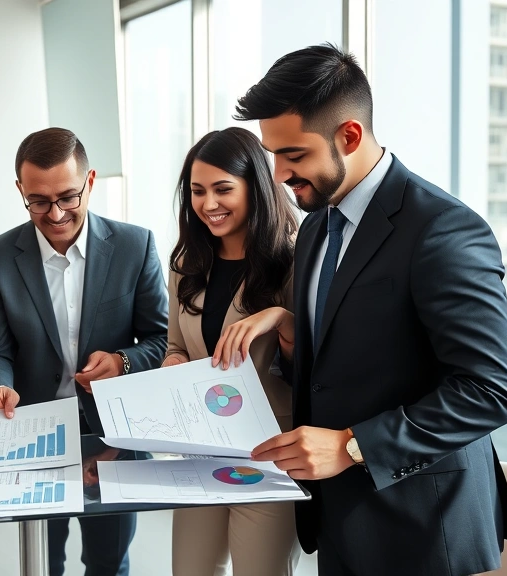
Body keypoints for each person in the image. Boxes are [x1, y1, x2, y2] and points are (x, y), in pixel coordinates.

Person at [223, 44, 507, 575]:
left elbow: (490, 391)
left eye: (294, 155)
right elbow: (340, 368)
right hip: (341, 522)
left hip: (425, 533)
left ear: (350, 136)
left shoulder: (444, 231)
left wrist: (353, 445)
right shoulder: (316, 227)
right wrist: (294, 343)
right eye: (273, 154)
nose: (279, 173)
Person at [0, 127, 168, 576]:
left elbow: (160, 341)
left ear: (91, 181)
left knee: (109, 561)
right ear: (20, 190)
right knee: (41, 561)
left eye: (68, 197)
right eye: (38, 201)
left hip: (115, 435)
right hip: (33, 435)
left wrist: (122, 362)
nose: (56, 213)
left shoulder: (135, 246)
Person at [162, 127, 300, 575]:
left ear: (255, 188)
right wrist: (174, 362)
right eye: (198, 191)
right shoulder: (187, 264)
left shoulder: (293, 260)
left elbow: (315, 364)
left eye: (223, 189)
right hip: (200, 447)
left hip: (269, 450)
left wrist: (281, 318)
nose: (208, 204)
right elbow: (176, 344)